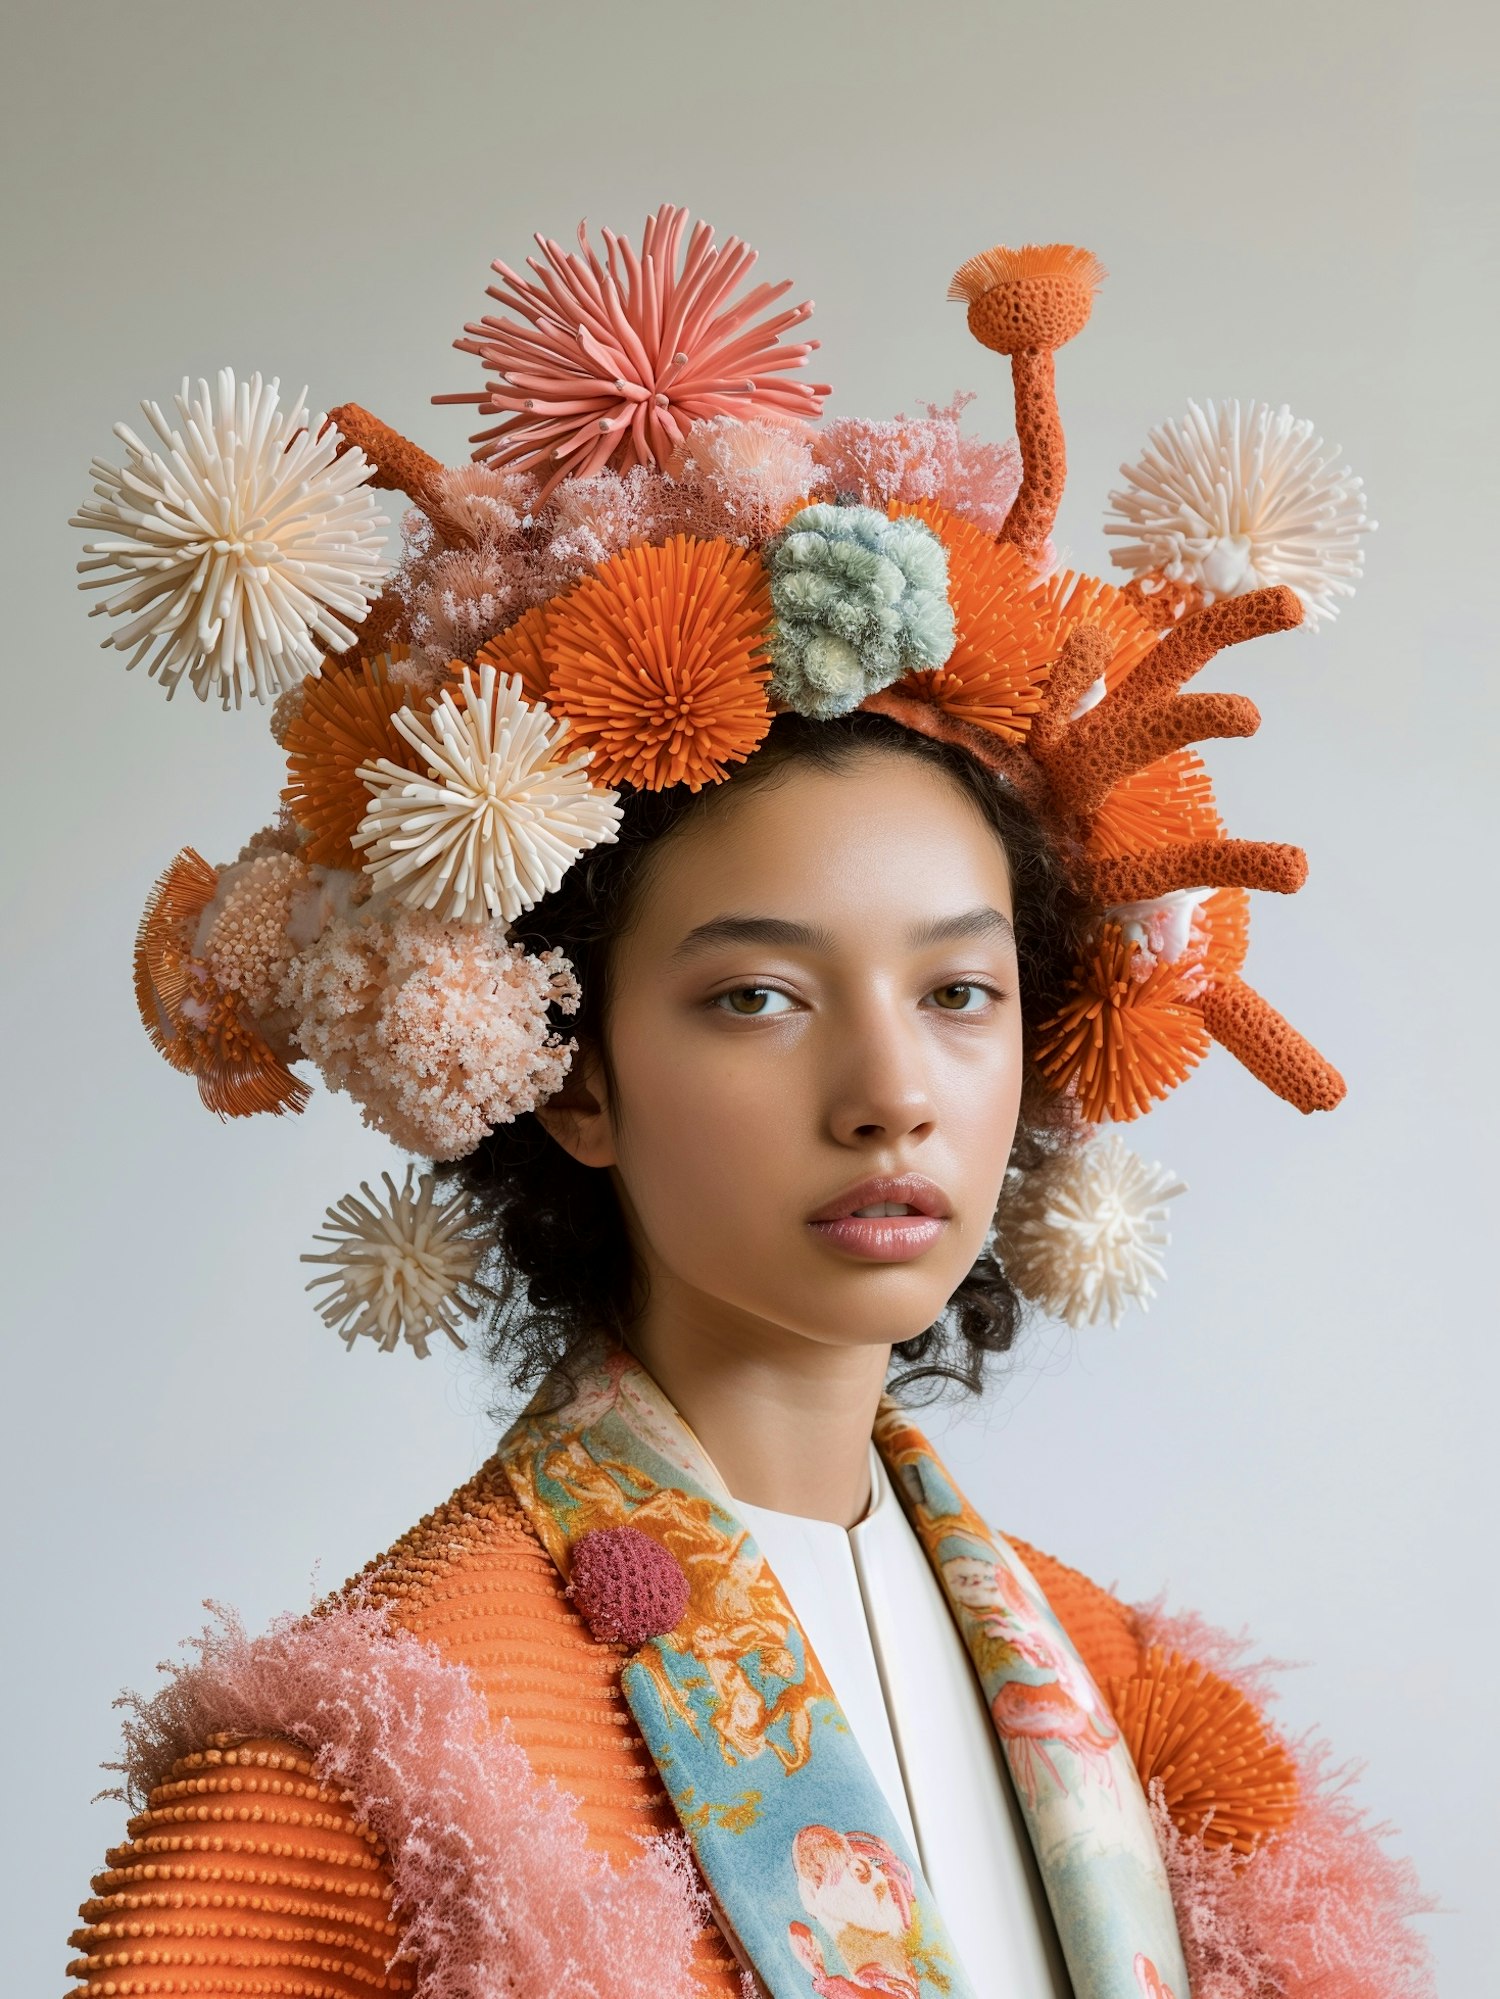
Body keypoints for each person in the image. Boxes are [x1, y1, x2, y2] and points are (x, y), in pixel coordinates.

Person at [63, 208, 1430, 1999]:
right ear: (564, 1072)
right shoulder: (349, 1793)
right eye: (758, 998)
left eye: (959, 992)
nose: (891, 1096)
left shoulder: (1168, 1733)